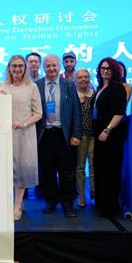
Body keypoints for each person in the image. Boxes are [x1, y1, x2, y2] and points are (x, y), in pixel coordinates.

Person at [35, 54, 82, 218]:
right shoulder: (36, 85)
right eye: (48, 66)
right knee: (47, 171)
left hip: (64, 135)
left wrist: (76, 134)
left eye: (54, 65)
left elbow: (76, 111)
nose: (51, 69)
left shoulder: (69, 85)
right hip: (44, 135)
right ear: (43, 68)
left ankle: (67, 204)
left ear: (59, 67)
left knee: (67, 172)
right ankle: (51, 201)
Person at [0, 55, 42, 220]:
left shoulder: (32, 87)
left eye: (20, 66)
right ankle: (7, 203)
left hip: (24, 134)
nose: (17, 69)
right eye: (14, 66)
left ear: (25, 68)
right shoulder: (1, 86)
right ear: (9, 67)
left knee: (21, 171)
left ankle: (17, 205)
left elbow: (38, 113)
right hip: (4, 134)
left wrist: (23, 123)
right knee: (5, 169)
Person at [93, 58, 127, 217]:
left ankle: (110, 207)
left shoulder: (117, 88)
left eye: (108, 68)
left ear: (114, 70)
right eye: (102, 68)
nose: (105, 71)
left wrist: (107, 130)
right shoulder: (101, 87)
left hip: (111, 136)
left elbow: (119, 113)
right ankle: (101, 203)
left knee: (110, 170)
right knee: (101, 169)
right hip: (99, 135)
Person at [74, 69, 95, 208]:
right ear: (75, 80)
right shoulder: (72, 95)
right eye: (80, 77)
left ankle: (95, 193)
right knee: (80, 168)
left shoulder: (95, 94)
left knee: (94, 166)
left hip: (94, 136)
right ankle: (81, 196)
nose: (83, 79)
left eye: (86, 77)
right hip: (79, 136)